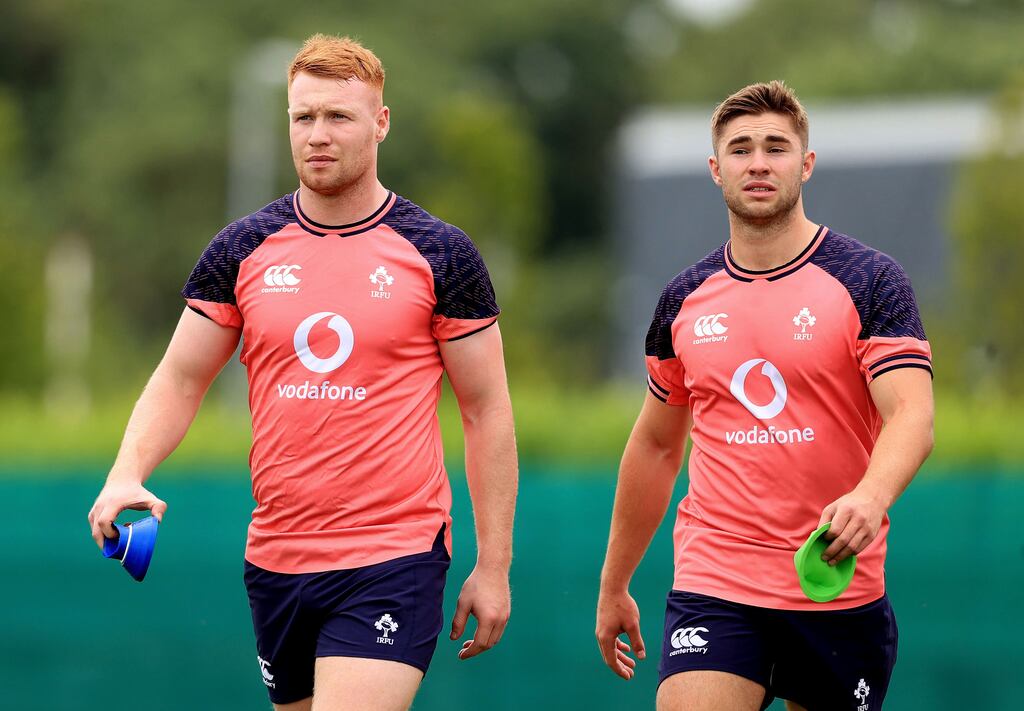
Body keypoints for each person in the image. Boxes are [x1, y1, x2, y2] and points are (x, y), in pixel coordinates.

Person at [87, 34, 518, 711]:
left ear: (380, 122)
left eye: (338, 117)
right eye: (302, 117)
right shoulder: (240, 248)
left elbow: (486, 408)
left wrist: (494, 566)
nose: (318, 135)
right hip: (276, 558)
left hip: (394, 553)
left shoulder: (440, 252)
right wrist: (126, 471)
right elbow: (180, 378)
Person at [595, 80, 934, 711]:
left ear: (805, 164)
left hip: (835, 586)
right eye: (740, 148)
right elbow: (655, 445)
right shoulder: (682, 299)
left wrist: (871, 494)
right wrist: (615, 583)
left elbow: (912, 414)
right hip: (715, 583)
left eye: (776, 147)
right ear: (715, 169)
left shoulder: (869, 279)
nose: (758, 162)